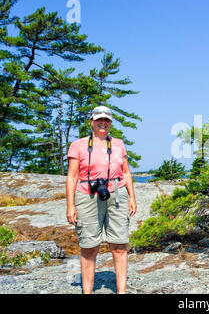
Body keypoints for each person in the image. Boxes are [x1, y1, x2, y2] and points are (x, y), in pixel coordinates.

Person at [65, 105, 137, 294]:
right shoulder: (78, 145)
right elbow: (72, 176)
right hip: (87, 195)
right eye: (99, 120)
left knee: (120, 246)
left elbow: (126, 172)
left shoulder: (119, 144)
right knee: (89, 247)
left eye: (106, 120)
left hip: (117, 193)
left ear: (111, 123)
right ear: (92, 122)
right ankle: (87, 292)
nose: (103, 123)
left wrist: (132, 198)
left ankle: (121, 292)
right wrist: (70, 205)